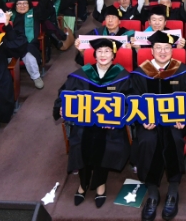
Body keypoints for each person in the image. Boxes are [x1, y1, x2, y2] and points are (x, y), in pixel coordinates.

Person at [54, 38, 133, 209]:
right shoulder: (81, 74)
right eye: (99, 51)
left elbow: (130, 102)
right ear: (94, 55)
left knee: (106, 145)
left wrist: (118, 118)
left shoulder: (122, 76)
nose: (103, 55)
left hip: (109, 125)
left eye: (107, 51)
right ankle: (82, 184)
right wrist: (61, 107)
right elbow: (63, 95)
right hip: (84, 123)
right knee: (80, 143)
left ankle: (100, 184)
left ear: (113, 55)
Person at [130, 31, 186, 221]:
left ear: (172, 50)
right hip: (149, 123)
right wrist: (142, 120)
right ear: (151, 51)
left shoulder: (182, 71)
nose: (162, 51)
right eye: (158, 48)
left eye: (166, 48)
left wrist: (184, 118)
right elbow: (132, 100)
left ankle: (173, 190)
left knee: (175, 139)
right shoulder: (140, 72)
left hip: (174, 123)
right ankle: (152, 192)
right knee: (147, 141)